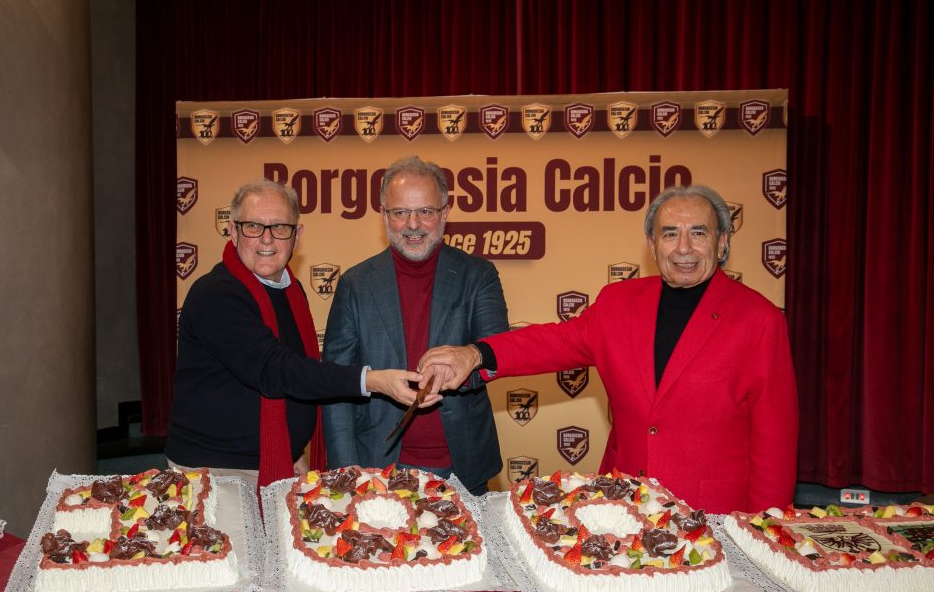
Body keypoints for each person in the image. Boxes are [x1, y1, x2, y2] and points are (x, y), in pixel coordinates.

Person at [419, 184, 798, 513]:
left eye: (698, 233)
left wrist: (764, 531)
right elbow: (552, 342)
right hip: (626, 507)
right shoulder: (619, 303)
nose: (684, 248)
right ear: (652, 244)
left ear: (723, 241)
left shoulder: (759, 320)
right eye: (669, 234)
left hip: (714, 517)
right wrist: (475, 354)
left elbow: (775, 448)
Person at [165, 179, 431, 492]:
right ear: (233, 232)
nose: (267, 238)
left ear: (297, 235)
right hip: (218, 471)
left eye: (279, 227)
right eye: (253, 226)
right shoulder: (217, 294)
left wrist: (294, 452)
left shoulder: (289, 290)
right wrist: (372, 380)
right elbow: (276, 370)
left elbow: (297, 377)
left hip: (274, 464)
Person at [322, 156, 509, 495]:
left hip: (463, 469)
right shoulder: (355, 283)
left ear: (445, 212)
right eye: (400, 212)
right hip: (376, 467)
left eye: (425, 211)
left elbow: (498, 354)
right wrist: (345, 469)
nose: (413, 224)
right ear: (383, 215)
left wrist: (461, 368)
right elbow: (336, 383)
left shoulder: (478, 275)